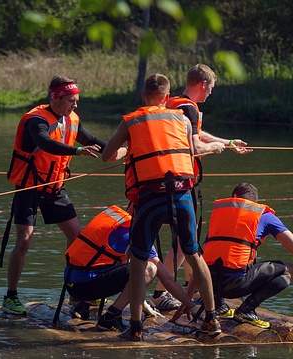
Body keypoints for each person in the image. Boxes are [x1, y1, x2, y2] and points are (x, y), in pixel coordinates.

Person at [102, 73, 221, 341]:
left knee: (138, 262)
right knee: (193, 254)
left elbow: (107, 155)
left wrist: (126, 151)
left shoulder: (131, 120)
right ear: (167, 98)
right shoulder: (181, 117)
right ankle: (212, 319)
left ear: (143, 96)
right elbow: (192, 148)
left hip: (150, 198)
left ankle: (135, 328)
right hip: (182, 194)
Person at [0, 74, 126, 315]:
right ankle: (11, 296)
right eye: (70, 100)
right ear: (55, 98)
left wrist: (125, 150)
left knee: (78, 239)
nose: (75, 105)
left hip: (55, 189)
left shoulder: (72, 119)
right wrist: (77, 151)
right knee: (24, 241)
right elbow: (45, 142)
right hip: (30, 187)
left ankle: (76, 294)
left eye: (76, 100)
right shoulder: (36, 120)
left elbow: (94, 141)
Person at [151, 63, 252, 306]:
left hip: (165, 178)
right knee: (184, 240)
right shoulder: (189, 108)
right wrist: (215, 149)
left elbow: (197, 134)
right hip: (180, 181)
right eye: (211, 88)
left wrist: (228, 142)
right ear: (203, 84)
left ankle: (188, 287)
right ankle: (161, 293)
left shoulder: (176, 103)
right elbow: (195, 146)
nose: (210, 93)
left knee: (188, 238)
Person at [201, 182, 293, 328]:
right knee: (288, 269)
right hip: (236, 286)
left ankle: (219, 305)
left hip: (209, 284)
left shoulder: (221, 215)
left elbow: (202, 253)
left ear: (234, 197)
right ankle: (247, 309)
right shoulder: (263, 216)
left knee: (222, 258)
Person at [64, 205, 199, 332]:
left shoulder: (117, 219)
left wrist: (143, 304)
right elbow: (167, 278)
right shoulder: (134, 233)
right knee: (149, 269)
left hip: (73, 283)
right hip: (85, 286)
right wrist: (191, 306)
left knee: (129, 263)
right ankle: (111, 316)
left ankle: (84, 304)